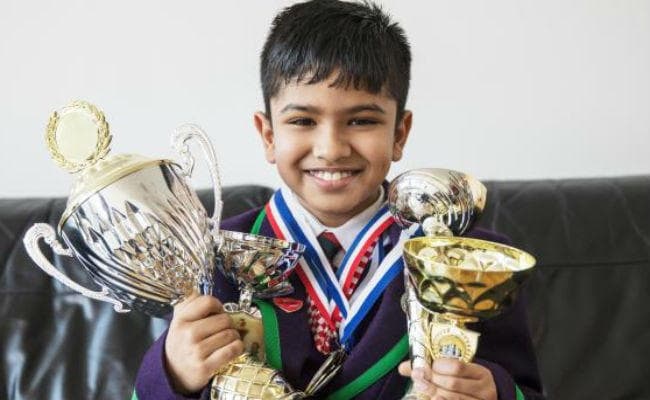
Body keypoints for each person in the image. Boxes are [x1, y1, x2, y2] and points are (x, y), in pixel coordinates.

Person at [134, 1, 544, 399]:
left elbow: (525, 389)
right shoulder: (210, 257)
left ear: (399, 134)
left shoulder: (473, 263)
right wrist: (174, 375)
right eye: (302, 121)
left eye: (362, 121)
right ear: (268, 135)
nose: (331, 149)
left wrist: (493, 391)